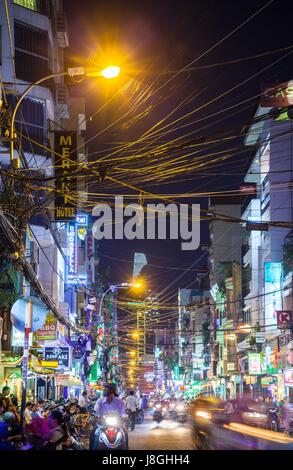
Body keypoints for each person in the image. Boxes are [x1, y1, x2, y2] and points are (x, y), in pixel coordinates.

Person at [91, 383, 127, 450]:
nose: (104, 390)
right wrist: (94, 415)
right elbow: (96, 410)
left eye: (106, 388)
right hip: (102, 424)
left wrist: (124, 417)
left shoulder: (119, 401)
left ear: (111, 390)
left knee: (124, 432)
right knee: (95, 433)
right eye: (104, 388)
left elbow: (123, 412)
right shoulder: (100, 401)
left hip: (117, 424)